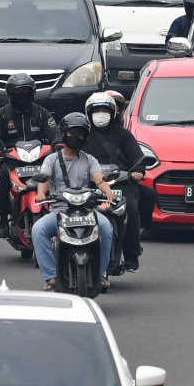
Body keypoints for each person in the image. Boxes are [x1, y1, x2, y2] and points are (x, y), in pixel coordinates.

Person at [33, 113, 117, 291]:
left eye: (80, 134)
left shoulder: (89, 159)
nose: (76, 137)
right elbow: (44, 178)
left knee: (107, 228)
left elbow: (100, 180)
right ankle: (51, 276)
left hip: (87, 211)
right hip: (59, 211)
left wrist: (108, 192)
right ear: (64, 134)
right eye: (72, 133)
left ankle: (101, 274)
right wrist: (41, 193)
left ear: (85, 137)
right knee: (38, 229)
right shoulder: (52, 159)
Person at [0, 73, 61, 239]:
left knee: (57, 178)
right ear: (10, 94)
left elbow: (53, 130)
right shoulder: (2, 114)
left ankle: (60, 212)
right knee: (4, 178)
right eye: (18, 92)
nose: (22, 95)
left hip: (40, 159)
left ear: (32, 93)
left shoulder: (41, 113)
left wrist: (58, 142)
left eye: (25, 91)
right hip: (13, 160)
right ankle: (4, 220)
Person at [84, 92, 147, 272]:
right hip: (90, 184)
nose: (101, 114)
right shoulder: (83, 135)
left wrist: (137, 171)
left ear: (113, 113)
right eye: (97, 110)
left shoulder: (124, 135)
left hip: (120, 183)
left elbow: (137, 157)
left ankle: (131, 255)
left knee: (132, 210)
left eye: (105, 110)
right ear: (89, 113)